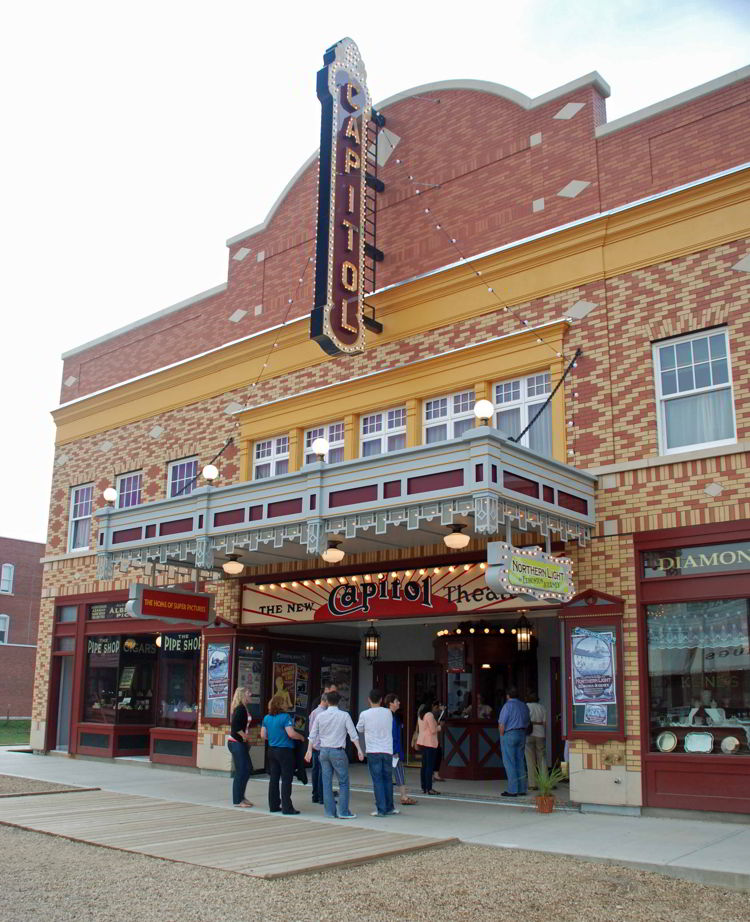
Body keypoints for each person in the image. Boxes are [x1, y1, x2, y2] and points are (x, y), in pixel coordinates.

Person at [305, 690, 364, 819]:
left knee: (326, 782)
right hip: (337, 751)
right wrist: (359, 750)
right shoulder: (344, 716)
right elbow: (353, 735)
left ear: (327, 701)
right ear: (339, 701)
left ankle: (329, 812)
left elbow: (312, 735)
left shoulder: (320, 716)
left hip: (323, 751)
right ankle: (343, 811)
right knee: (343, 781)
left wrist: (309, 750)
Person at [261, 692, 305, 814]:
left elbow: (263, 735)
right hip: (285, 751)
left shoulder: (267, 718)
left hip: (271, 750)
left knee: (274, 778)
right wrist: (301, 737)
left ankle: (274, 805)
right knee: (286, 779)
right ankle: (287, 807)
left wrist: (274, 737)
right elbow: (291, 733)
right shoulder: (285, 717)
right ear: (282, 705)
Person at [357, 688, 399, 817]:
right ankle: (390, 807)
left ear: (369, 699)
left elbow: (359, 729)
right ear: (381, 700)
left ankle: (381, 809)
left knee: (377, 780)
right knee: (387, 779)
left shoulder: (364, 714)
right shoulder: (388, 713)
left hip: (373, 750)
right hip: (387, 750)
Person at [498, 687, 531, 797]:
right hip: (522, 733)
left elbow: (502, 724)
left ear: (508, 695)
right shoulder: (524, 706)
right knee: (520, 761)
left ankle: (512, 790)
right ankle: (522, 788)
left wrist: (502, 736)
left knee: (510, 762)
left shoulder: (507, 706)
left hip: (510, 733)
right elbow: (527, 721)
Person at [385, 693, 417, 805]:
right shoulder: (391, 718)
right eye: (396, 701)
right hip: (393, 751)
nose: (399, 703)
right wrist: (395, 751)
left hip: (390, 749)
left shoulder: (391, 716)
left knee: (395, 773)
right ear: (390, 703)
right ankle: (403, 797)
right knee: (398, 773)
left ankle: (401, 796)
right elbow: (394, 736)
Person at [227, 687, 253, 807]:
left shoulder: (244, 708)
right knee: (241, 771)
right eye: (248, 693)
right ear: (243, 695)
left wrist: (246, 739)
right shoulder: (240, 709)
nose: (251, 694)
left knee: (247, 769)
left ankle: (241, 796)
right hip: (236, 743)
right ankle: (237, 800)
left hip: (240, 743)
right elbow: (235, 728)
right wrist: (245, 737)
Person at [416, 700, 441, 795]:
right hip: (430, 742)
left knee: (424, 766)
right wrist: (439, 727)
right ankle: (429, 788)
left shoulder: (420, 715)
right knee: (429, 766)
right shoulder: (429, 715)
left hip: (422, 741)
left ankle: (424, 787)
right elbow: (433, 730)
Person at [308, 692, 328, 804]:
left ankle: (315, 795)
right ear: (325, 701)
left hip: (315, 745)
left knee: (315, 771)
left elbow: (311, 729)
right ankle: (322, 796)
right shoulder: (323, 713)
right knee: (323, 771)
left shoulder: (314, 712)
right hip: (322, 745)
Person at [525, 691, 547, 789]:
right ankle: (544, 781)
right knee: (541, 758)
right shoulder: (542, 707)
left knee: (530, 759)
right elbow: (545, 723)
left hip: (529, 733)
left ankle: (532, 784)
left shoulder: (526, 706)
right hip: (540, 732)